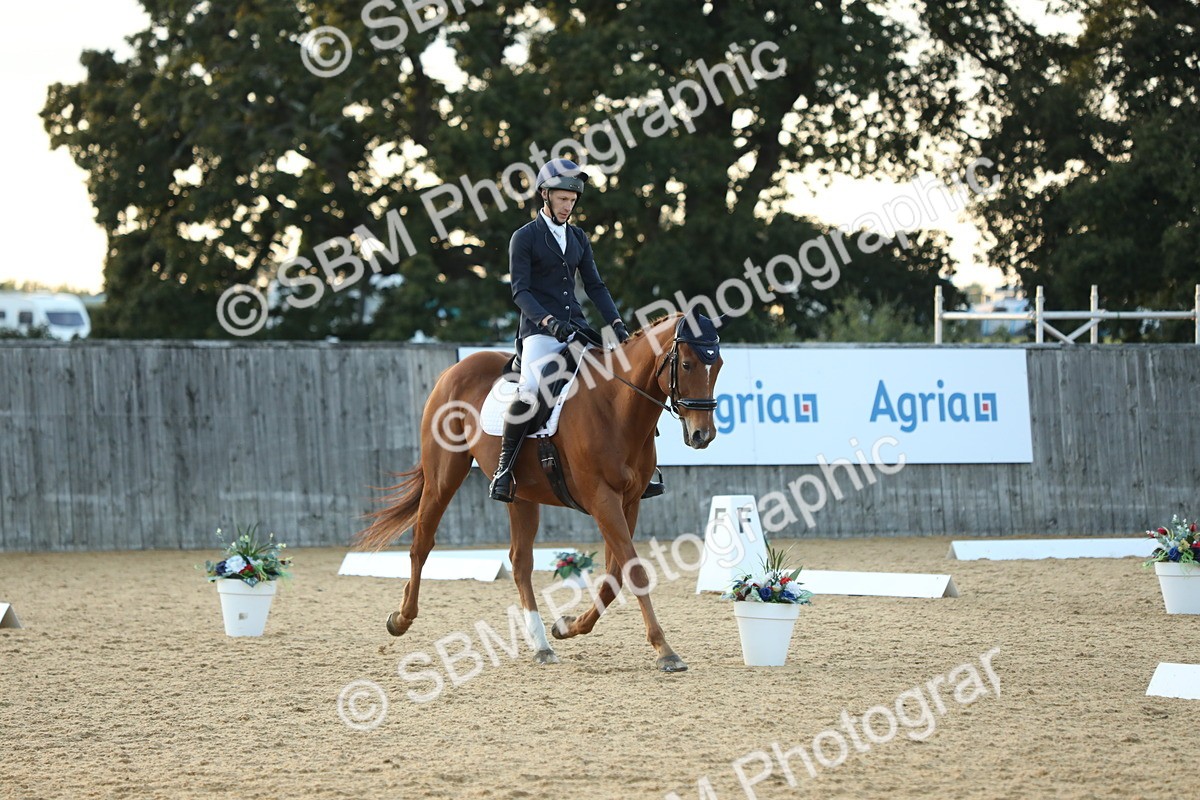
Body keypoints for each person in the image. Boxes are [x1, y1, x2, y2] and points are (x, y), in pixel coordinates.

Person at [489, 157, 664, 502]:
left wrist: (616, 322)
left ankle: (643, 468)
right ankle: (504, 470)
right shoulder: (524, 238)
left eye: (572, 200)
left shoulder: (579, 238)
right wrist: (547, 321)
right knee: (531, 390)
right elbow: (520, 291)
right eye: (562, 199)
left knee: (622, 384)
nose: (568, 206)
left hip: (578, 330)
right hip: (540, 332)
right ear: (545, 195)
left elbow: (595, 286)